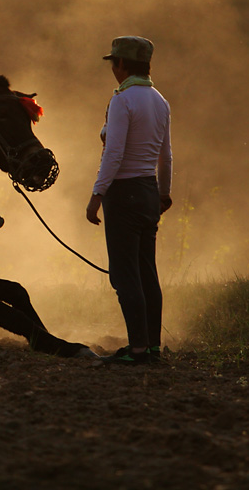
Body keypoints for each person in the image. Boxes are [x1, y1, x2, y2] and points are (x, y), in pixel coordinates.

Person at [85, 36, 173, 366]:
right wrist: (163, 192)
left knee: (125, 276)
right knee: (147, 271)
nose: (112, 69)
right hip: (149, 191)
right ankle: (151, 346)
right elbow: (166, 155)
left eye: (113, 63)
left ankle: (136, 350)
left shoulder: (122, 101)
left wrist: (97, 194)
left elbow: (114, 153)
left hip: (124, 193)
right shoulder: (160, 100)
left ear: (122, 65)